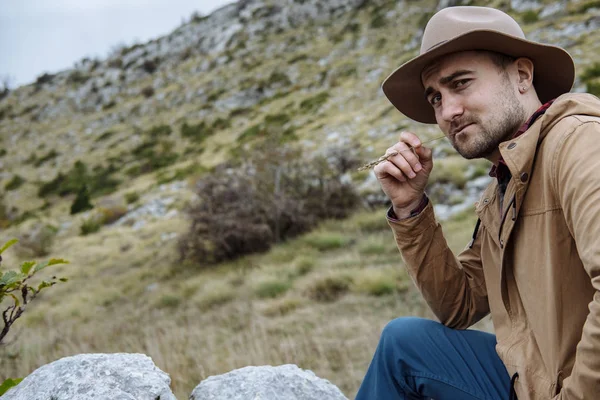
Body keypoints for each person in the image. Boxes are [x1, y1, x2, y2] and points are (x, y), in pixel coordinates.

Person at [355, 6, 600, 400]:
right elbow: (460, 306)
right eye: (435, 97)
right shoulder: (504, 186)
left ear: (522, 75)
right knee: (403, 342)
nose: (448, 112)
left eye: (461, 84)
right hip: (531, 380)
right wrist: (410, 209)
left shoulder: (579, 143)